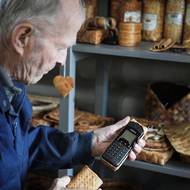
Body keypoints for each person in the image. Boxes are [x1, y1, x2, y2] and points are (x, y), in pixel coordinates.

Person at [0, 0, 145, 189]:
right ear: (22, 37)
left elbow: (22, 146)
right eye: (60, 48)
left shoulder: (12, 87)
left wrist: (91, 143)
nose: (63, 61)